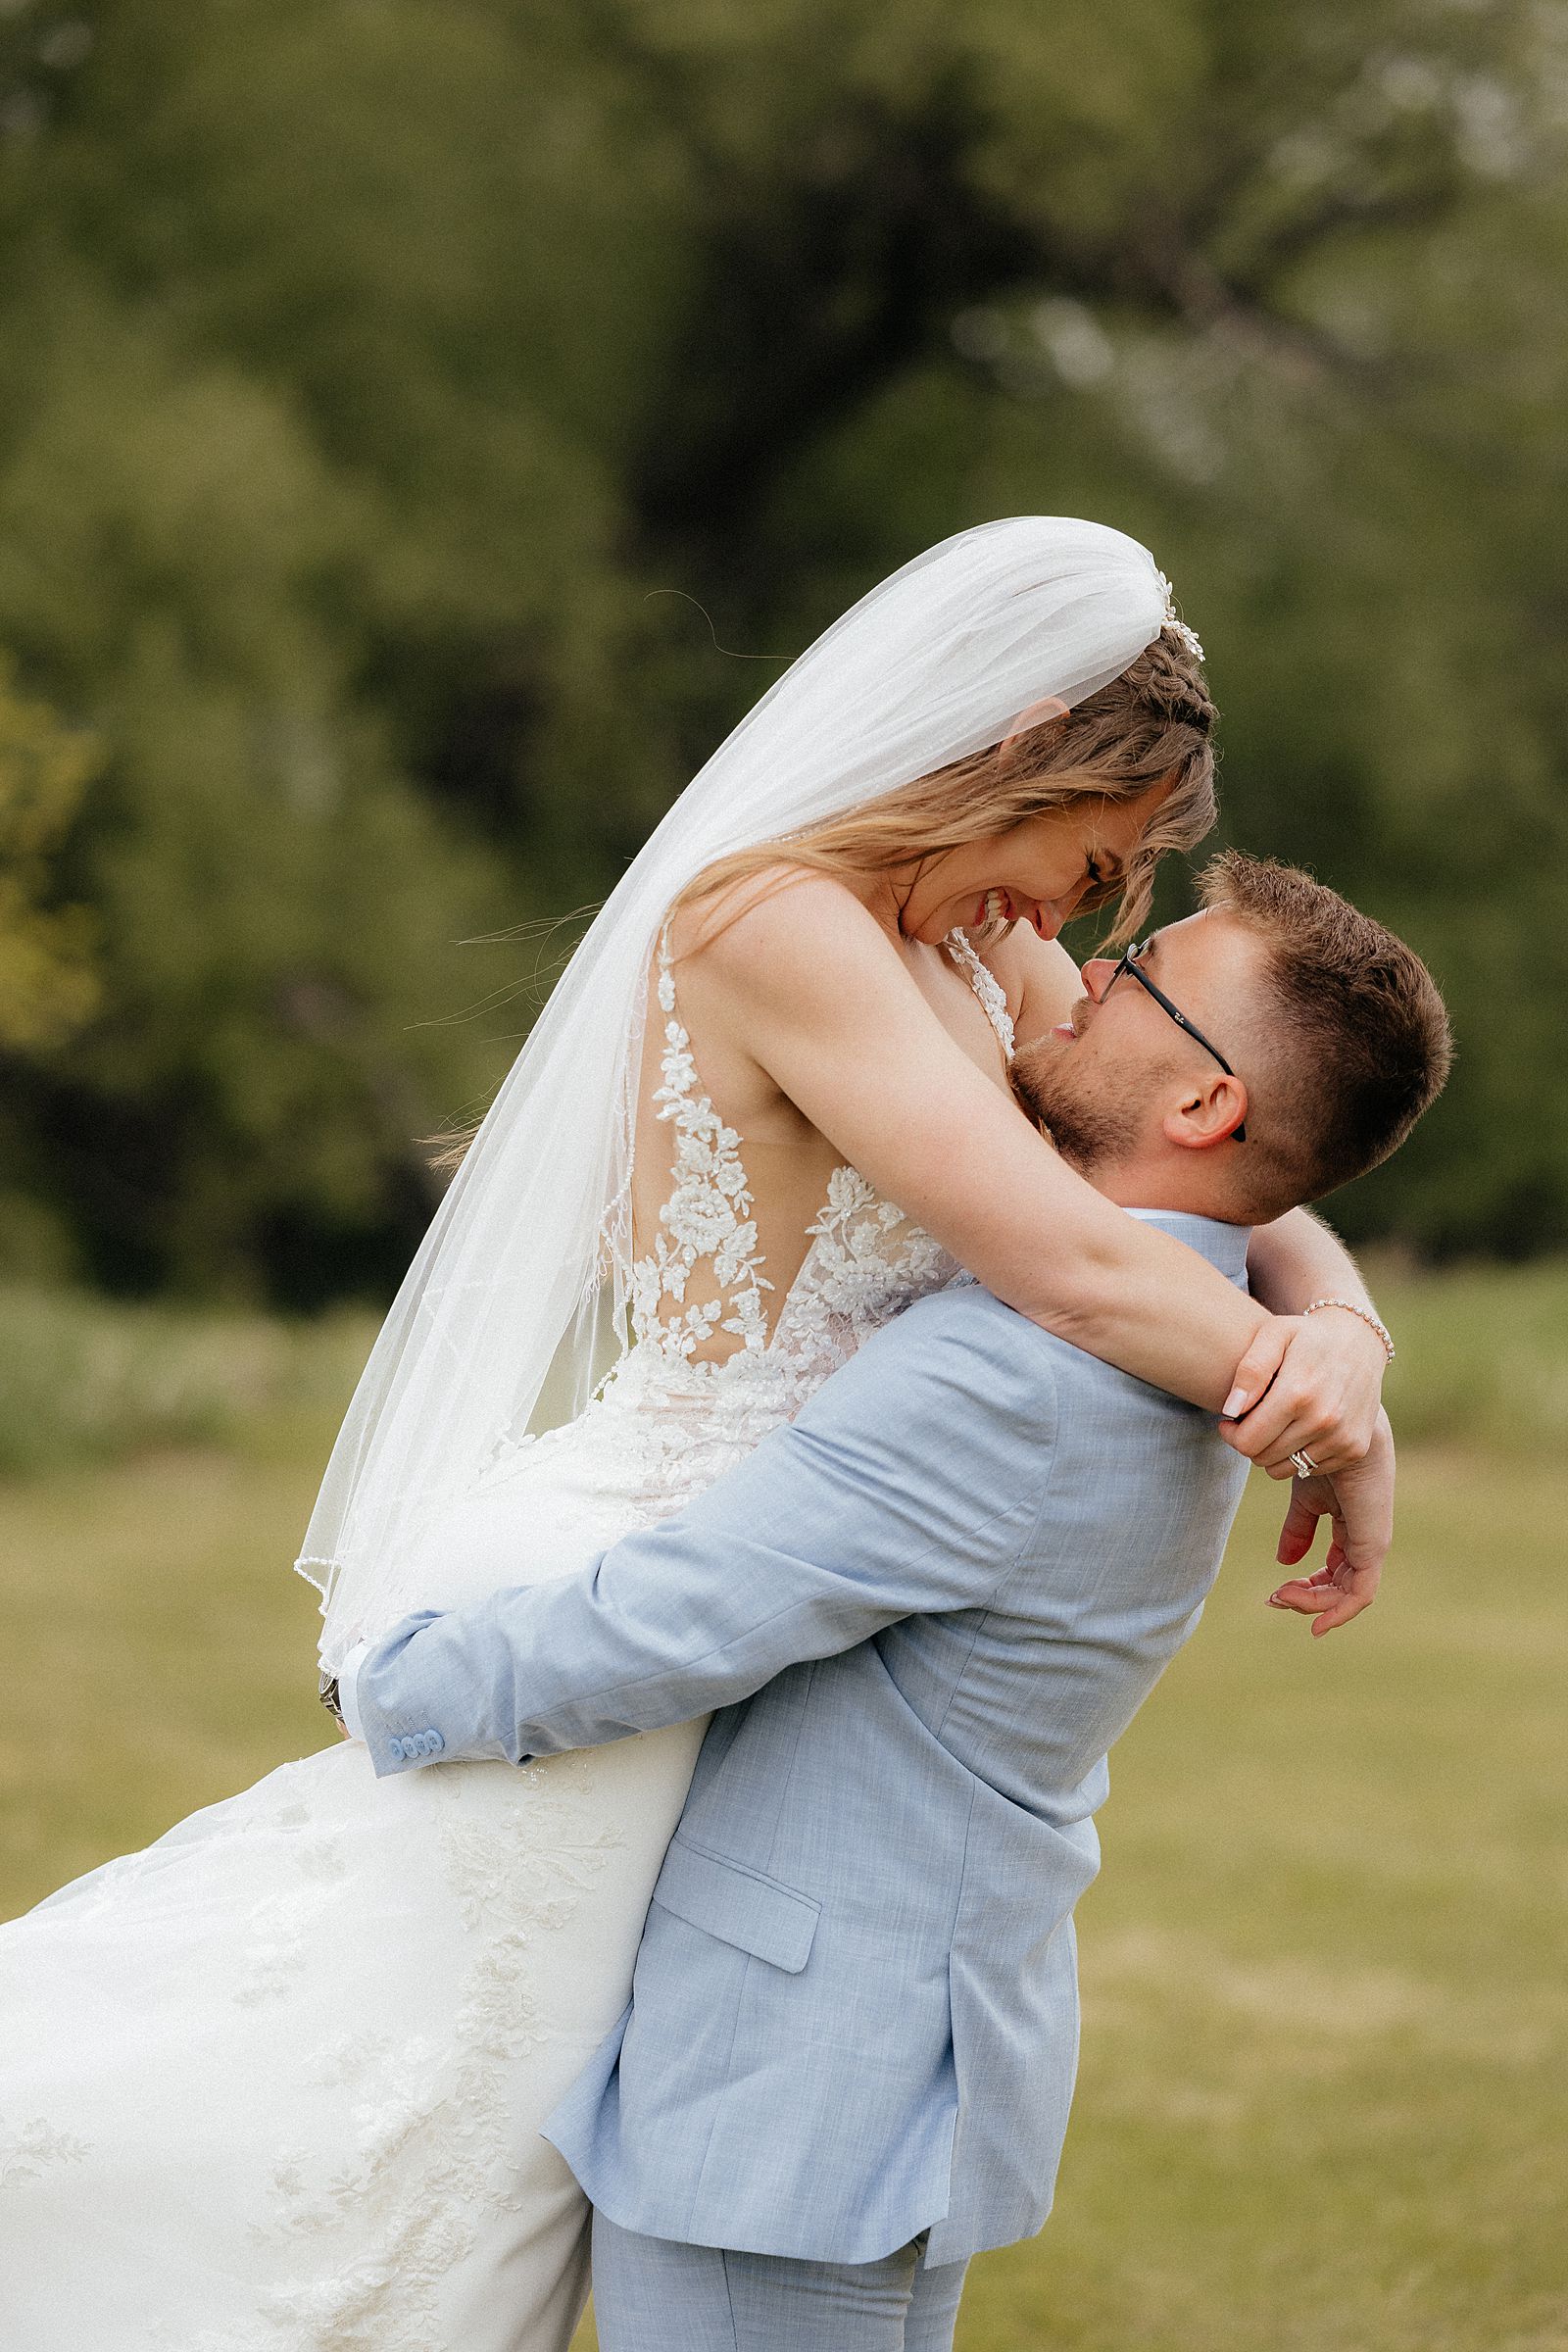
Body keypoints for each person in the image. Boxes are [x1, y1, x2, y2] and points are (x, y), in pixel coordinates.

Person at [0, 523, 1392, 2349]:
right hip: (666, 1542)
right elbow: (1062, 1252)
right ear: (1030, 743)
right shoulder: (775, 922)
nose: (1081, 913)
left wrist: (1347, 1342)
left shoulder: (992, 964)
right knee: (373, 2071)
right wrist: (1295, 1411)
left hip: (796, 1561)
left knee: (512, 2122)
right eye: (1101, 851)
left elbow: (1233, 1152)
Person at [338, 854, 1452, 2352]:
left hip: (798, 2082)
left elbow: (678, 1620)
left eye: (1143, 979)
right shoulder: (1215, 1325)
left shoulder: (1022, 1378)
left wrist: (388, 1687)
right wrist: (1346, 1329)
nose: (1086, 972)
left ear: (1202, 1107)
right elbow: (1273, 1229)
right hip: (898, 2042)